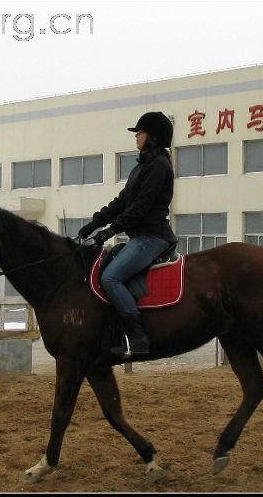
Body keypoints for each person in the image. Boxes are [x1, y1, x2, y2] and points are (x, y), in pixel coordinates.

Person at [78, 111, 178, 357]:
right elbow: (122, 201)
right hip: (140, 237)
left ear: (153, 137)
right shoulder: (142, 167)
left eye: (140, 132)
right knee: (103, 268)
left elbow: (140, 208)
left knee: (110, 277)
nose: (137, 136)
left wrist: (111, 230)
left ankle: (137, 336)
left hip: (153, 237)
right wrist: (95, 224)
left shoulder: (158, 166)